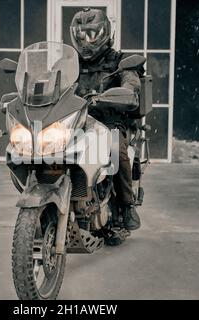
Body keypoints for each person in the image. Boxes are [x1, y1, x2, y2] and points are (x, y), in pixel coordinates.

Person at [70, 8, 142, 231]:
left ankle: (127, 205)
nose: (85, 41)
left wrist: (126, 91)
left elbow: (131, 83)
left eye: (91, 34)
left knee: (114, 148)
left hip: (109, 121)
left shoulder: (119, 61)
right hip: (75, 120)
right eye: (81, 36)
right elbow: (51, 82)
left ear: (104, 34)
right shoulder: (70, 63)